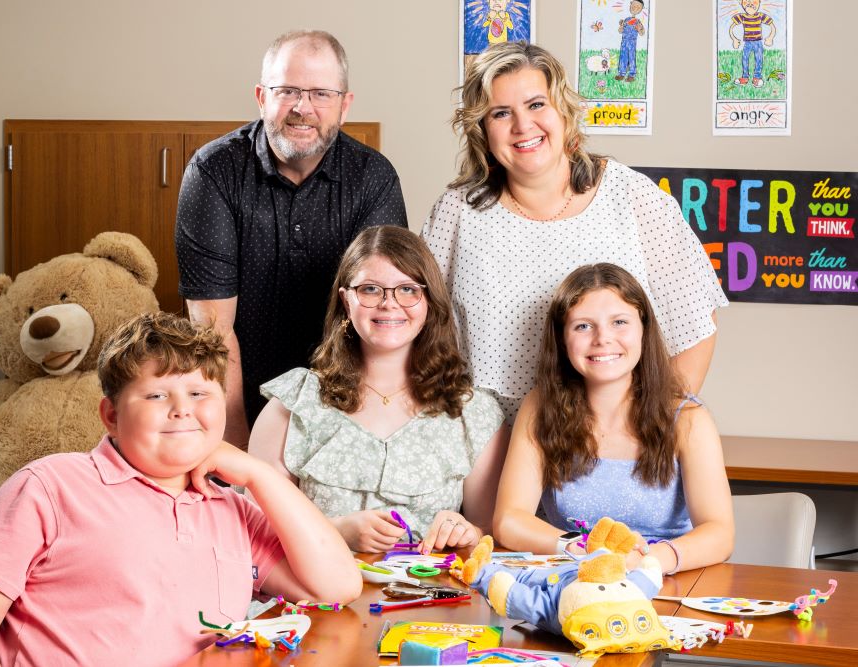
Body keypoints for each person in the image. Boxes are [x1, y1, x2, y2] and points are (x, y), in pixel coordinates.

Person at [0, 313, 361, 666]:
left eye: (199, 392)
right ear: (111, 415)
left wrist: (259, 475)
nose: (182, 409)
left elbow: (338, 586)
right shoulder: (50, 486)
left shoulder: (231, 508)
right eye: (156, 394)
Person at [422, 41, 728, 422]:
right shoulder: (457, 212)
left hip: (610, 444)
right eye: (501, 113)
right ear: (482, 131)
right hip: (488, 444)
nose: (522, 126)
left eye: (536, 105)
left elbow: (695, 326)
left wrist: (644, 431)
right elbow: (417, 332)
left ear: (564, 112)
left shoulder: (632, 196)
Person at [176, 30, 408, 451]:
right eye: (288, 92)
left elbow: (383, 319)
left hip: (347, 400)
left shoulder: (374, 178)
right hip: (235, 398)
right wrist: (237, 444)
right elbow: (213, 332)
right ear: (262, 96)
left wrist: (359, 441)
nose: (303, 109)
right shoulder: (213, 172)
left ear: (345, 104)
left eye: (321, 93)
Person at [248, 226, 508, 554]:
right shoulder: (291, 405)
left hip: (437, 600)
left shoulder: (472, 412)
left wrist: (469, 533)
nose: (389, 304)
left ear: (428, 301)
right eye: (371, 289)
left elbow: (490, 535)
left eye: (408, 290)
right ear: (346, 300)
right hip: (317, 601)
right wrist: (335, 531)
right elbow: (252, 532)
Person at [493, 264, 734, 574]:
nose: (602, 339)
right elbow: (508, 520)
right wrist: (584, 549)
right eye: (583, 326)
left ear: (644, 329)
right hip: (574, 578)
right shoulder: (540, 406)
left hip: (665, 581)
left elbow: (720, 532)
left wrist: (647, 562)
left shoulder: (688, 418)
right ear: (562, 339)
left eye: (619, 322)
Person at [729, 0, 776, 87]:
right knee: (745, 59)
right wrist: (734, 39)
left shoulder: (761, 16)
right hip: (747, 43)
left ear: (759, 2)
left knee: (759, 59)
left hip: (758, 42)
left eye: (754, 2)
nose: (750, 4)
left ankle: (757, 78)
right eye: (746, 2)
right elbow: (731, 27)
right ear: (741, 3)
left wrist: (770, 37)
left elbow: (772, 25)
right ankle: (745, 77)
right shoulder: (742, 16)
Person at [615, 0, 646, 83]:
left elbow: (642, 33)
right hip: (624, 42)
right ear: (630, 4)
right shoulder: (626, 20)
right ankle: (621, 73)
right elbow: (620, 31)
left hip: (632, 43)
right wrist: (621, 26)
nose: (635, 8)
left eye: (638, 7)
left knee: (632, 58)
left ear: (641, 9)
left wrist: (639, 29)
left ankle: (632, 74)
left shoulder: (638, 22)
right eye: (634, 5)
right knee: (623, 57)